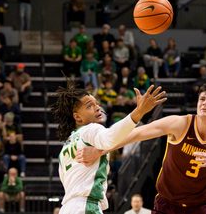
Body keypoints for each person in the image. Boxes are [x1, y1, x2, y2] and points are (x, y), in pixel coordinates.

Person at [78, 81, 206, 214]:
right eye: (202, 99)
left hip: (201, 207)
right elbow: (136, 134)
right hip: (167, 204)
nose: (204, 103)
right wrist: (100, 151)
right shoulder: (179, 124)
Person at [52, 79, 166, 214]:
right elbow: (111, 138)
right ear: (77, 117)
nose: (97, 107)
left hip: (67, 208)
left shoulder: (66, 147)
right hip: (86, 205)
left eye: (97, 103)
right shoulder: (91, 129)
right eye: (89, 106)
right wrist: (138, 112)